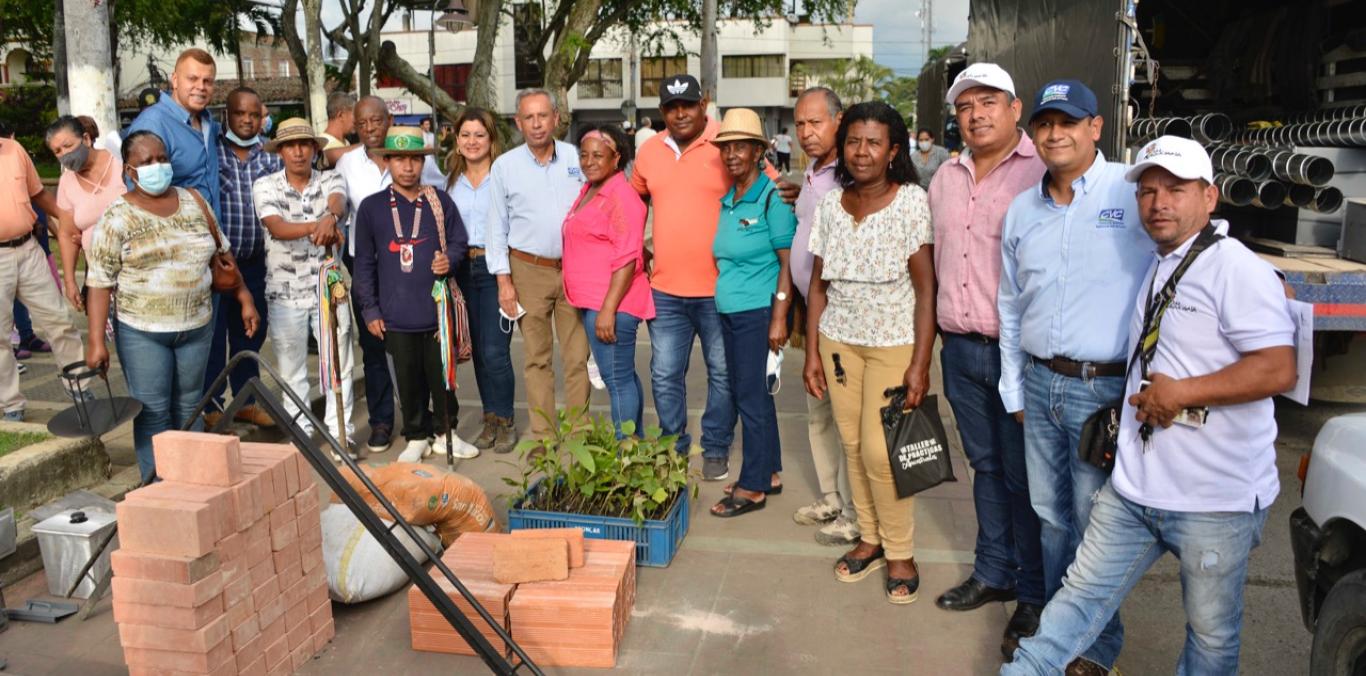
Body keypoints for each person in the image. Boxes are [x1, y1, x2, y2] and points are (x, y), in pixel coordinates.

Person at [1005, 136, 1296, 674]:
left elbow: (1278, 367)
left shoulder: (1235, 268)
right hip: (1136, 487)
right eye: (1148, 190)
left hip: (1214, 497)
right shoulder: (1161, 260)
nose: (1159, 202)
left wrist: (1182, 392)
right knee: (1076, 600)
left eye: (1177, 189)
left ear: (1210, 197)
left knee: (1210, 637)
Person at [998, 79, 1152, 674]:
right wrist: (1014, 384)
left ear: (1096, 127)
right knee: (1051, 517)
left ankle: (1095, 648)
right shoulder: (1023, 209)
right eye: (1044, 123)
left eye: (1068, 121)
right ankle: (1064, 633)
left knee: (1096, 524)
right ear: (1032, 132)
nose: (1054, 133)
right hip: (1040, 385)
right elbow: (1010, 303)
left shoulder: (1131, 191)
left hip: (1105, 389)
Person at [929, 64, 1047, 658]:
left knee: (1024, 474)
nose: (976, 114)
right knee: (985, 467)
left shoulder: (1042, 171)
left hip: (1016, 352)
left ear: (1015, 107)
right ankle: (992, 570)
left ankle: (1032, 591)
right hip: (961, 350)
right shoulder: (945, 176)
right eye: (965, 105)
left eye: (989, 102)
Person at [803, 101, 936, 605]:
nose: (861, 152)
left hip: (894, 346)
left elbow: (927, 290)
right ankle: (871, 539)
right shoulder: (832, 206)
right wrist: (812, 352)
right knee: (853, 446)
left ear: (893, 150)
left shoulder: (911, 202)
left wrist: (920, 364)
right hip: (839, 343)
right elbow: (818, 287)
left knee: (883, 452)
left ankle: (901, 550)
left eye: (873, 142)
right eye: (853, 141)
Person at [84, 130, 260, 481]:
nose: (157, 166)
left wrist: (245, 298)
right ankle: (158, 486)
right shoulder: (117, 216)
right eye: (147, 162)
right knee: (154, 412)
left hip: (196, 324)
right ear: (130, 171)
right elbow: (99, 282)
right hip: (143, 332)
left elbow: (222, 252)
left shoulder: (194, 201)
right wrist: (95, 342)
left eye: (162, 158)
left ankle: (194, 481)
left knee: (190, 405)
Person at [630, 74, 737, 480]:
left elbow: (766, 187)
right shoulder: (650, 152)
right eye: (672, 107)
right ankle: (672, 445)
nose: (681, 113)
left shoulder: (727, 143)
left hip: (719, 288)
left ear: (704, 104)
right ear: (662, 112)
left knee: (722, 373)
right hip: (666, 290)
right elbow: (633, 199)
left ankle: (715, 446)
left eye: (688, 105)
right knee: (664, 372)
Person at [335, 96, 447, 453]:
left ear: (388, 121)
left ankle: (425, 420)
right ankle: (383, 420)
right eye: (363, 122)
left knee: (420, 347)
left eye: (376, 121)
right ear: (355, 124)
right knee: (375, 345)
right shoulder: (346, 163)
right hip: (368, 264)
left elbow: (438, 200)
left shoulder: (414, 158)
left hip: (414, 266)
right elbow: (338, 204)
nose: (370, 128)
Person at [352, 127, 469, 463]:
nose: (407, 167)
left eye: (415, 160)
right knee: (407, 377)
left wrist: (451, 259)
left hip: (435, 310)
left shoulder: (438, 200)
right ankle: (416, 435)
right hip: (395, 313)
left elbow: (459, 241)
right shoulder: (372, 208)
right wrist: (370, 310)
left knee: (442, 375)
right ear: (387, 162)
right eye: (400, 159)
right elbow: (363, 264)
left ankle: (448, 431)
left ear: (422, 163)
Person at [486, 89, 590, 440]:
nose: (536, 124)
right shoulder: (505, 166)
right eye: (528, 117)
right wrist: (504, 282)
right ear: (518, 122)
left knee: (577, 356)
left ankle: (579, 433)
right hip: (527, 270)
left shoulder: (577, 158)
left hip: (575, 268)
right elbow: (496, 227)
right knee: (537, 358)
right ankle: (545, 437)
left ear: (556, 118)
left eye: (542, 116)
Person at [708, 108, 796, 518]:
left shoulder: (770, 197)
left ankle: (753, 485)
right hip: (732, 310)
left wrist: (779, 318)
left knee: (749, 396)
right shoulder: (730, 199)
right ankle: (770, 472)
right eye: (726, 148)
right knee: (755, 393)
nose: (731, 155)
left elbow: (788, 261)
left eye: (741, 147)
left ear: (759, 151)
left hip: (758, 312)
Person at [252, 118, 355, 456]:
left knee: (339, 363)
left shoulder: (330, 178)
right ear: (280, 151)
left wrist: (332, 217)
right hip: (285, 293)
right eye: (290, 145)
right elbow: (278, 227)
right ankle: (302, 436)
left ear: (314, 149)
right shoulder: (265, 185)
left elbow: (338, 200)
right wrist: (322, 223)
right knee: (292, 368)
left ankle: (343, 435)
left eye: (304, 144)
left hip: (329, 289)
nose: (298, 151)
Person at [789, 86, 860, 546]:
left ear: (838, 121)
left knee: (850, 419)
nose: (807, 132)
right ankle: (831, 498)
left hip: (845, 316)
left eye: (816, 122)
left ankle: (856, 513)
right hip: (811, 311)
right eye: (800, 124)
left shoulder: (853, 173)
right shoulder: (814, 173)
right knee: (819, 411)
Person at [561, 124, 653, 437]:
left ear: (617, 158)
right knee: (623, 376)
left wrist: (607, 310)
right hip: (595, 301)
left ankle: (625, 452)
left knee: (617, 381)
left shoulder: (621, 195)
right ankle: (635, 446)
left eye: (598, 155)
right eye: (584, 155)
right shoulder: (591, 190)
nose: (589, 161)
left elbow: (628, 257)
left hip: (613, 304)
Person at [0, 122, 87, 420]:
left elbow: (38, 194)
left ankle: (80, 390)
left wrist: (68, 217)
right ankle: (11, 405)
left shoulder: (13, 149)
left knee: (60, 321)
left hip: (28, 249)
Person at [206, 87, 281, 428]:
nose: (248, 120)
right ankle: (211, 405)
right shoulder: (211, 153)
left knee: (250, 332)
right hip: (217, 262)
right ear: (227, 115)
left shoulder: (270, 156)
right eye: (240, 114)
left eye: (254, 114)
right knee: (213, 335)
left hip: (257, 261)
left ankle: (247, 400)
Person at [446, 108, 518, 454]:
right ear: (457, 141)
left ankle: (505, 419)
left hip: (495, 270)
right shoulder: (448, 179)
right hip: (461, 270)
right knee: (475, 350)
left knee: (495, 350)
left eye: (479, 135)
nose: (472, 141)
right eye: (466, 135)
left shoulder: (504, 177)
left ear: (491, 140)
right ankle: (489, 418)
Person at [127, 48, 221, 218]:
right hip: (177, 237)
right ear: (175, 80)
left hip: (214, 234)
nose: (201, 87)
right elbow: (137, 190)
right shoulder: (153, 124)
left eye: (208, 81)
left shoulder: (207, 122)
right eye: (193, 79)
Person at [47, 115, 127, 313]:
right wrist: (70, 280)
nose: (64, 154)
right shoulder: (66, 183)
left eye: (68, 145)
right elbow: (66, 234)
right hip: (102, 282)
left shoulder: (120, 160)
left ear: (85, 139)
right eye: (57, 151)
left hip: (141, 271)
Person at [320, 91, 358, 168]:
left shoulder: (346, 143)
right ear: (341, 115)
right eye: (355, 115)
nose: (357, 120)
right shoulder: (323, 145)